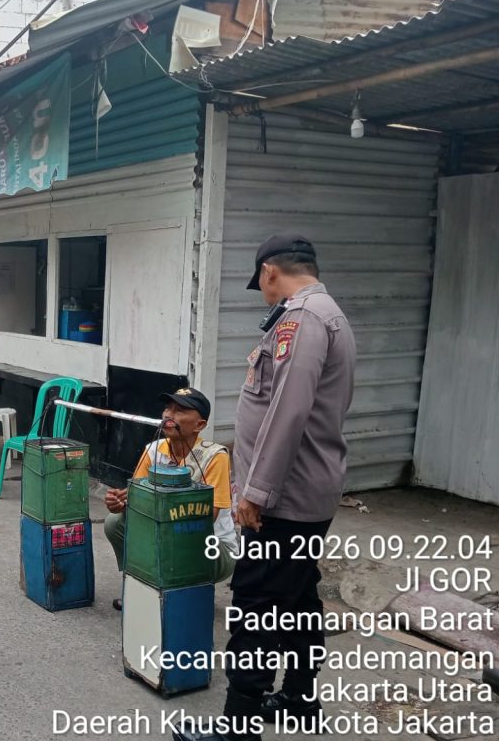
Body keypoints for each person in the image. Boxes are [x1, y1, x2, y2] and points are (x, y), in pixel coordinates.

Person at [174, 235, 356, 741]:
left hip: (284, 497)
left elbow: (288, 411)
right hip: (304, 491)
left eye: (262, 283)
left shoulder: (304, 318)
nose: (264, 292)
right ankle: (299, 698)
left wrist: (256, 492)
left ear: (270, 271)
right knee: (297, 597)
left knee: (256, 605)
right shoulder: (324, 314)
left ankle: (239, 725)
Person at [104, 386, 236, 610]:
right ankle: (141, 587)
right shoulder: (154, 449)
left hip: (210, 544)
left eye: (180, 410)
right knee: (115, 523)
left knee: (175, 536)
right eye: (168, 408)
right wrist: (121, 504)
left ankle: (180, 595)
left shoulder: (214, 456)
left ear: (200, 425)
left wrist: (159, 506)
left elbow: (207, 518)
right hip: (165, 535)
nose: (169, 415)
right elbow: (137, 501)